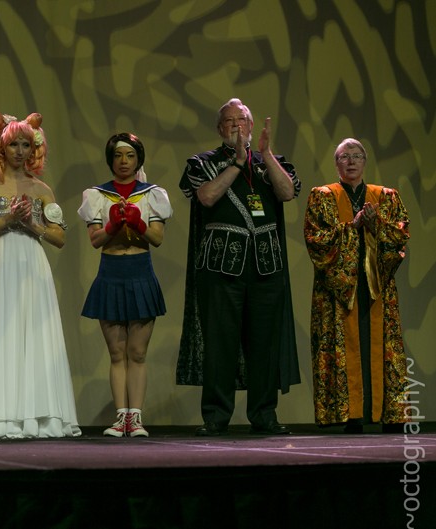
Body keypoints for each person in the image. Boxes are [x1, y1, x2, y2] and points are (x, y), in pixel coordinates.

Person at [0, 111, 80, 439]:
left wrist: (32, 224)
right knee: (0, 332)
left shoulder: (41, 189)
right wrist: (9, 219)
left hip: (32, 263)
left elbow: (60, 238)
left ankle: (37, 417)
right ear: (1, 147)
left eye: (26, 144)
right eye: (14, 144)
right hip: (2, 260)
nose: (20, 151)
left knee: (33, 332)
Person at [176, 98, 300, 436]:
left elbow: (287, 192)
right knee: (220, 344)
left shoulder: (270, 163)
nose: (236, 126)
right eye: (230, 121)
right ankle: (216, 416)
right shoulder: (203, 162)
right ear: (219, 129)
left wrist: (265, 155)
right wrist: (237, 163)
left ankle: (264, 415)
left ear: (252, 125)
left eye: (242, 120)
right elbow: (206, 197)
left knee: (265, 345)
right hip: (221, 267)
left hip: (266, 266)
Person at [304, 138, 410, 433]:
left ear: (365, 161)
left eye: (356, 156)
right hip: (339, 293)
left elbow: (399, 238)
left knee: (378, 345)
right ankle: (350, 416)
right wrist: (355, 227)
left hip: (376, 288)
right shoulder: (322, 197)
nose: (350, 161)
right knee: (345, 344)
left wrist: (376, 225)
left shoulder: (386, 196)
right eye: (344, 156)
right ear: (336, 163)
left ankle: (387, 413)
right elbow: (317, 240)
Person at [78, 133, 172, 438]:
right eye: (118, 156)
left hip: (141, 272)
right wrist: (113, 226)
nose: (123, 162)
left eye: (130, 156)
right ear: (110, 160)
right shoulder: (95, 195)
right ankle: (120, 418)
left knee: (138, 352)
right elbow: (95, 240)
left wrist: (139, 223)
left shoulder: (153, 194)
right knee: (117, 353)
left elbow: (157, 239)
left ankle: (137, 418)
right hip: (111, 272)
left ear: (138, 159)